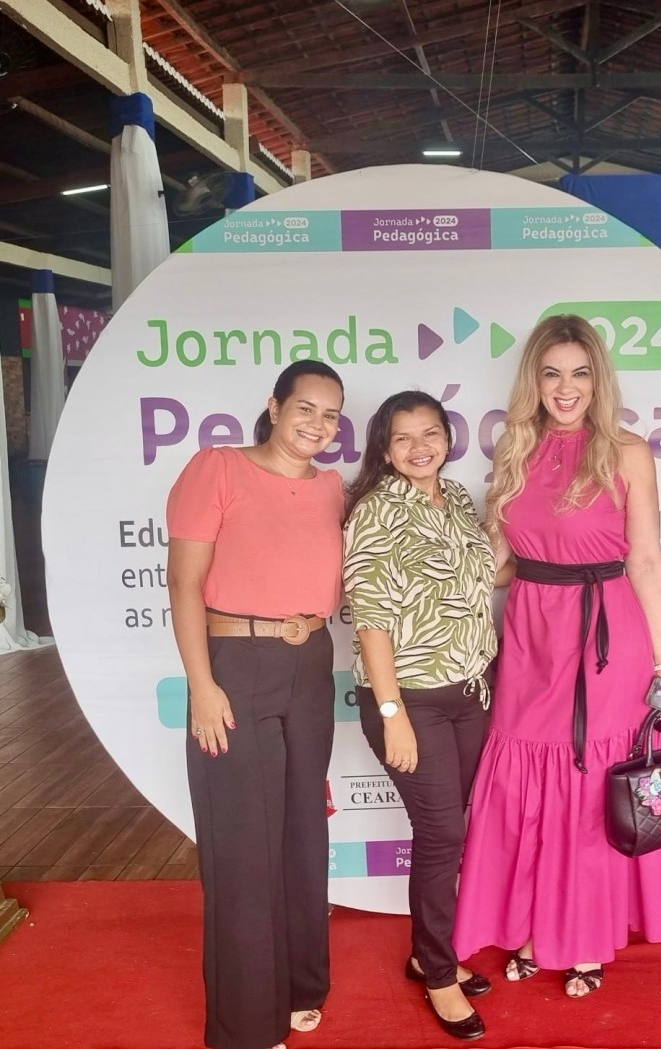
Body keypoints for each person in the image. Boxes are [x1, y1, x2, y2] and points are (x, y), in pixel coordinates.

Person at [453, 313, 661, 999]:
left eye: (580, 373)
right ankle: (535, 926)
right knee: (523, 782)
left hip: (606, 638)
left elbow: (645, 559)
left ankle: (585, 937)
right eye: (552, 373)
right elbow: (502, 562)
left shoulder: (627, 451)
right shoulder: (515, 446)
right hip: (531, 630)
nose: (566, 388)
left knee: (589, 788)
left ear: (599, 379)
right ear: (533, 380)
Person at [165, 360, 346, 1049]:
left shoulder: (331, 487)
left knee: (302, 833)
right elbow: (183, 584)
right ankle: (245, 1025)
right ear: (274, 407)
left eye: (331, 415)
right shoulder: (217, 468)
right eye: (305, 408)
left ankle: (301, 985)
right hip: (235, 664)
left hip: (312, 662)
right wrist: (202, 684)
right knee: (243, 846)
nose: (317, 425)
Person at [342, 391, 496, 1042]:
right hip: (410, 701)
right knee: (441, 836)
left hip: (471, 694)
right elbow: (371, 622)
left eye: (429, 433)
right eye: (403, 437)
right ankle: (437, 973)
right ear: (384, 448)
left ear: (447, 438)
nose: (419, 447)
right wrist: (392, 713)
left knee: (450, 830)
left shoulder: (456, 498)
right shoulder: (375, 512)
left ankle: (425, 953)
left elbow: (483, 579)